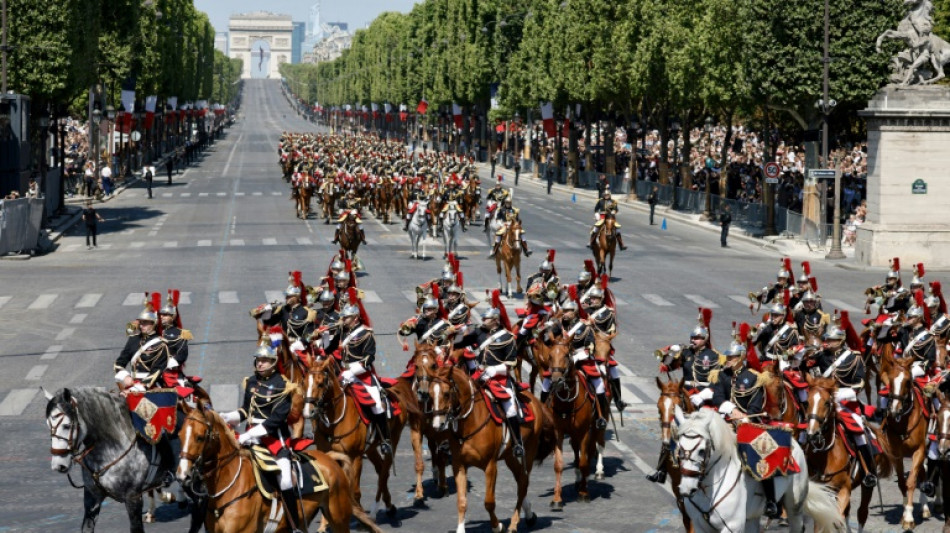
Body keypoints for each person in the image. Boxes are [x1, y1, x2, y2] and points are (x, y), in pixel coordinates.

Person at [221, 345, 305, 533]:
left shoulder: (284, 385)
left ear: (274, 363)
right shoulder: (251, 382)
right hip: (249, 439)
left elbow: (276, 419)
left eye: (264, 360)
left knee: (284, 480)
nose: (260, 363)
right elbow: (245, 411)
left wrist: (248, 434)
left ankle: (294, 525)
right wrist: (228, 416)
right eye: (258, 360)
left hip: (274, 441)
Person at [711, 340, 782, 518]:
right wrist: (731, 410)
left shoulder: (754, 377)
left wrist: (743, 417)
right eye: (727, 356)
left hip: (747, 421)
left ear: (741, 357)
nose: (728, 359)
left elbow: (756, 405)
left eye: (732, 357)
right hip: (726, 418)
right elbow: (718, 397)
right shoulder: (722, 375)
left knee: (761, 456)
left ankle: (772, 501)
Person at [811, 325, 877, 489]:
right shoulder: (822, 355)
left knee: (860, 433)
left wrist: (842, 394)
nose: (828, 342)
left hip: (845, 402)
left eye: (832, 340)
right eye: (827, 339)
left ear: (841, 341)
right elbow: (806, 366)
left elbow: (860, 382)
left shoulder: (853, 358)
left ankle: (869, 471)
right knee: (808, 429)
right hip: (824, 402)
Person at [336, 304, 392, 457]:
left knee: (377, 406)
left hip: (361, 374)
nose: (343, 320)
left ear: (355, 318)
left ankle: (384, 439)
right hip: (343, 371)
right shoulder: (342, 330)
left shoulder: (366, 334)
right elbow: (331, 347)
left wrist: (352, 372)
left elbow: (368, 358)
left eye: (346, 317)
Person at [473, 307, 525, 457]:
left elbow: (512, 363)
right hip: (479, 374)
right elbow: (463, 340)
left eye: (486, 319)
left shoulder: (508, 338)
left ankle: (517, 443)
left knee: (510, 409)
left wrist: (494, 370)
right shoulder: (479, 332)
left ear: (495, 320)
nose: (482, 321)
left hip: (499, 378)